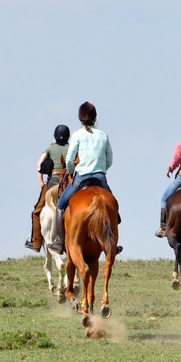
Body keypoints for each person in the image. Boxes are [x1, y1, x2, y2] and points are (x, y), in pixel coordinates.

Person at [47, 102, 121, 254]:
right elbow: (110, 159)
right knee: (114, 209)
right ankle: (112, 244)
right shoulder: (103, 135)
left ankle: (60, 242)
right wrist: (102, 170)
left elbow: (69, 159)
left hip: (81, 178)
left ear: (80, 118)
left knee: (60, 206)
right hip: (101, 178)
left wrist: (73, 171)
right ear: (95, 118)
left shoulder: (77, 135)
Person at [24, 125, 70, 252]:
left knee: (36, 212)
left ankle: (36, 242)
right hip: (68, 182)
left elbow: (39, 165)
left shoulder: (50, 148)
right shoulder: (71, 147)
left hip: (53, 182)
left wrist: (41, 183)